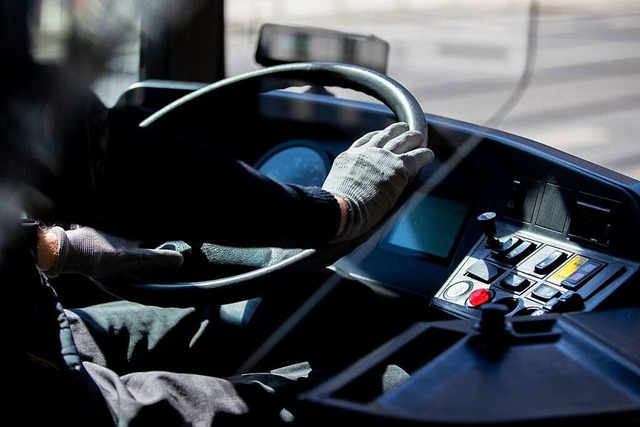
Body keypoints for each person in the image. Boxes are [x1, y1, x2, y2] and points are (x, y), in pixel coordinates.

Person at [2, 1, 434, 425]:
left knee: (226, 320)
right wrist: (337, 211)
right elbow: (100, 161)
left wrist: (53, 249)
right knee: (371, 388)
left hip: (29, 332)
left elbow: (70, 148)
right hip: (48, 399)